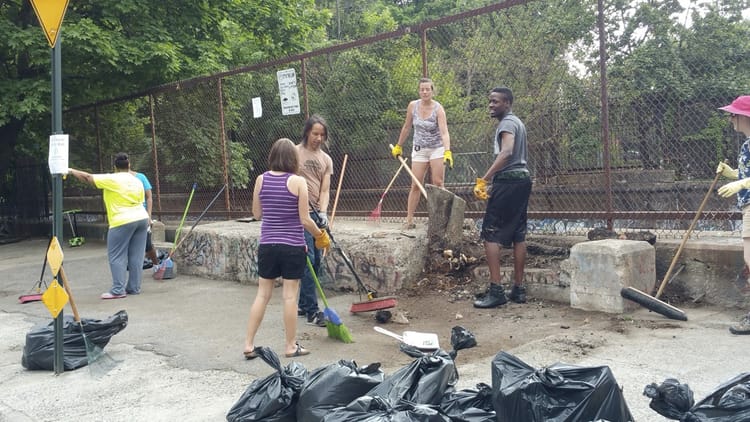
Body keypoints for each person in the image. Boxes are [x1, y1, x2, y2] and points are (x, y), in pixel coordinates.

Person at [243, 138, 330, 359]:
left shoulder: (261, 180)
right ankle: (291, 346)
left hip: (268, 245)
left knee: (262, 295)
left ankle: (249, 344)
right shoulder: (298, 182)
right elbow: (304, 220)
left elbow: (257, 214)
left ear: (272, 156)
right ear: (293, 158)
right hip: (292, 246)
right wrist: (320, 235)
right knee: (289, 297)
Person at [472, 86, 531, 308]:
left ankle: (496, 291)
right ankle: (518, 289)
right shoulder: (518, 122)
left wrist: (485, 179)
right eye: (490, 101)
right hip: (523, 179)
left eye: (495, 101)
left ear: (507, 103)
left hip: (508, 181)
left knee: (491, 234)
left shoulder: (507, 123)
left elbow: (506, 152)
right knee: (518, 234)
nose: (491, 105)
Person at [68, 153, 149, 299]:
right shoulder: (137, 180)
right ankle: (134, 287)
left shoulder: (113, 178)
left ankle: (118, 290)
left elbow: (88, 177)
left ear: (115, 167)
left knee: (117, 256)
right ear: (129, 165)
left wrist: (71, 171)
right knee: (136, 256)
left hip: (121, 220)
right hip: (142, 218)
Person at [391, 77, 452, 229]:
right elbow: (406, 127)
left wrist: (447, 151)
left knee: (438, 183)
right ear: (419, 91)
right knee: (415, 184)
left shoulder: (438, 109)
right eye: (422, 89)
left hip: (436, 148)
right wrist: (399, 145)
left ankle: (442, 220)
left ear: (432, 91)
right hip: (419, 149)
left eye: (427, 89)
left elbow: (444, 132)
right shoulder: (413, 106)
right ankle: (409, 220)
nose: (425, 92)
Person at [715, 95, 750, 335]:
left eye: (733, 114)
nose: (730, 119)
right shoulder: (747, 145)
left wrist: (742, 184)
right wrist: (733, 174)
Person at [296, 115, 334, 328]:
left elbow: (325, 189)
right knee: (308, 258)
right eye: (315, 134)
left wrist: (323, 212)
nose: (318, 138)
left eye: (322, 135)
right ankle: (312, 311)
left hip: (316, 214)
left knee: (317, 260)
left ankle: (303, 304)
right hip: (299, 214)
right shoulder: (294, 152)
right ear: (307, 132)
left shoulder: (326, 159)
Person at [129, 169, 160, 270]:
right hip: (126, 217)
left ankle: (156, 264)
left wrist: (149, 216)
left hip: (141, 216)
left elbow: (149, 197)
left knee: (147, 244)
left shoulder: (141, 177)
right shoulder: (116, 178)